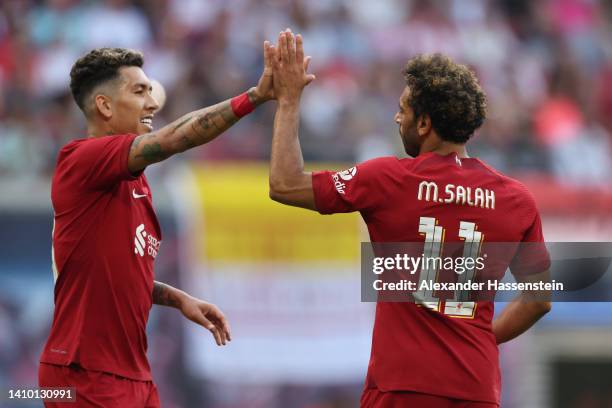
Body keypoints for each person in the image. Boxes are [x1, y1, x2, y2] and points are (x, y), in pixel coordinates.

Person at [268, 29, 552, 408]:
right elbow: (539, 300)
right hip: (476, 389)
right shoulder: (516, 199)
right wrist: (480, 338)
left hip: (401, 388)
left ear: (424, 124)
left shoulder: (389, 179)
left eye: (403, 108)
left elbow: (284, 184)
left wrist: (288, 101)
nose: (396, 116)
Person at [39, 44, 276, 407]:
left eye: (150, 91)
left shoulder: (136, 184)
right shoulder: (81, 159)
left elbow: (118, 271)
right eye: (139, 91)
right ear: (104, 105)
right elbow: (174, 139)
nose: (151, 103)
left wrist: (178, 298)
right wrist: (255, 97)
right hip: (82, 374)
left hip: (135, 374)